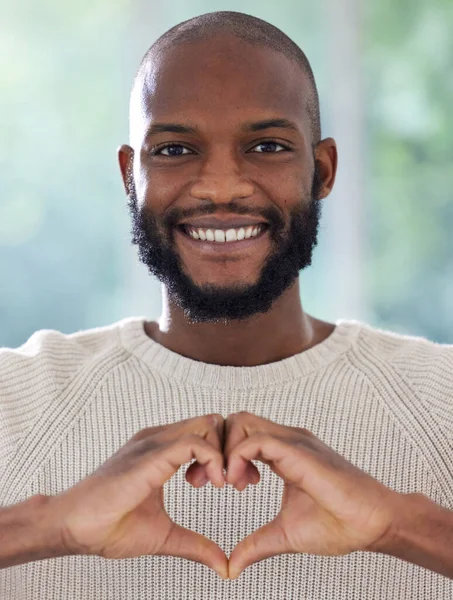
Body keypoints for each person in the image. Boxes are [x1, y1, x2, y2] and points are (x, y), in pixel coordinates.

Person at [1, 10, 453, 600]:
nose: (219, 186)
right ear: (129, 175)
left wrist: (401, 524)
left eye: (266, 146)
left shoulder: (441, 401)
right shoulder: (15, 403)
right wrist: (44, 527)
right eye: (174, 149)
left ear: (322, 170)